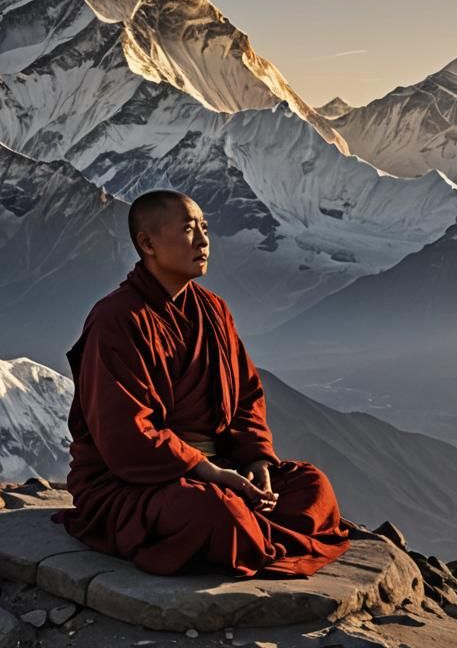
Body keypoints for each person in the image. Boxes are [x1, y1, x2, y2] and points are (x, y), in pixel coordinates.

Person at [51, 189, 350, 577]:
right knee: (214, 511)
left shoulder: (214, 310)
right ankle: (254, 534)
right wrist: (207, 473)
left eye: (205, 229)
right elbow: (126, 434)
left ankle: (252, 536)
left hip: (224, 468)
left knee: (313, 485)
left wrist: (255, 461)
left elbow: (245, 396)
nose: (204, 241)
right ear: (148, 244)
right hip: (137, 482)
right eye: (189, 230)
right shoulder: (117, 320)